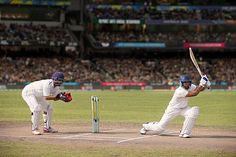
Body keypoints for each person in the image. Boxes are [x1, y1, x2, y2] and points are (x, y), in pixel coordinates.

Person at [140, 74, 211, 138]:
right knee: (160, 128)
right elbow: (194, 93)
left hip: (184, 108)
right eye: (185, 82)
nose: (187, 84)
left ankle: (184, 132)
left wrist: (205, 85)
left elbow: (199, 89)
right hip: (173, 109)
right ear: (181, 83)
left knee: (194, 111)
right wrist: (202, 83)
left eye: (188, 82)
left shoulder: (190, 86)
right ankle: (146, 126)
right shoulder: (179, 91)